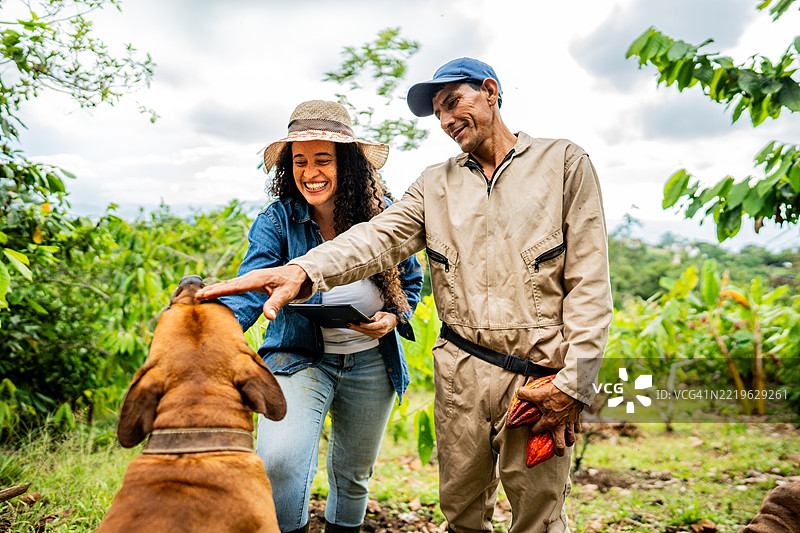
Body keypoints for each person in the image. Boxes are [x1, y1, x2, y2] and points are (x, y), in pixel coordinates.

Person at [200, 59, 613, 533]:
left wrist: (574, 382)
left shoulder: (563, 163)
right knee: (460, 509)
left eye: (453, 102)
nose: (446, 120)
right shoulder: (434, 185)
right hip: (461, 370)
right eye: (438, 112)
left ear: (491, 91)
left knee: (538, 514)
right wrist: (301, 270)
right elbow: (376, 240)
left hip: (538, 373)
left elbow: (589, 282)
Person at [218, 100, 423, 533]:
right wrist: (212, 329)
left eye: (323, 160)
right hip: (299, 356)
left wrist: (391, 317)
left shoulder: (384, 212)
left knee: (352, 477)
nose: (310, 172)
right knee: (280, 463)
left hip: (371, 360)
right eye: (300, 161)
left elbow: (411, 279)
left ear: (347, 164)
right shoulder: (278, 221)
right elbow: (254, 287)